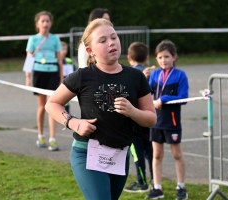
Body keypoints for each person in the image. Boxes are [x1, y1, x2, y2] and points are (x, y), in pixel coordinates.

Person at [45, 18, 157, 200]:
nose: (111, 43)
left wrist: (132, 111)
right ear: (90, 51)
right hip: (87, 152)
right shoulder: (82, 76)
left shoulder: (136, 77)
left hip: (120, 155)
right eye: (103, 40)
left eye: (114, 37)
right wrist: (74, 123)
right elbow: (52, 104)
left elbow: (151, 119)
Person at [145, 40, 189, 200]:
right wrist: (143, 78)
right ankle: (157, 188)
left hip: (172, 121)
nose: (164, 60)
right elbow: (147, 91)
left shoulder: (180, 75)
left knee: (177, 154)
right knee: (157, 154)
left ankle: (181, 187)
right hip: (156, 121)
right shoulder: (155, 74)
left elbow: (183, 98)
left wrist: (163, 99)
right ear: (156, 59)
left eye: (167, 56)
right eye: (160, 57)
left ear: (174, 57)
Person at [25, 11, 63, 151]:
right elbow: (29, 59)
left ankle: (52, 138)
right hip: (39, 73)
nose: (45, 23)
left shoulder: (55, 39)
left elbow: (60, 60)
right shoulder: (33, 40)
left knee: (52, 105)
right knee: (42, 106)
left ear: (51, 23)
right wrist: (27, 78)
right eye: (43, 21)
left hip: (52, 72)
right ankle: (41, 135)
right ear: (37, 24)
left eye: (48, 21)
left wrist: (61, 79)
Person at [123, 42, 154, 193]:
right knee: (150, 151)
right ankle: (155, 180)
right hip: (148, 119)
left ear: (129, 57)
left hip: (134, 122)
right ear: (147, 58)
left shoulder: (128, 75)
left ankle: (142, 182)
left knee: (137, 153)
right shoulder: (151, 74)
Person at [61, 41, 76, 113]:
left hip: (67, 85)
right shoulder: (54, 61)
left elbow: (74, 72)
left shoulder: (69, 61)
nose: (64, 51)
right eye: (62, 49)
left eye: (65, 49)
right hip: (56, 85)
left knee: (66, 104)